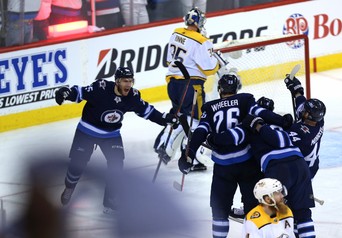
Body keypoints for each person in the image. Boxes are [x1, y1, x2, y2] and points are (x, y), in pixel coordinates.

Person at [178, 74, 293, 238]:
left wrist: (188, 155)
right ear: (236, 88)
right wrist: (282, 121)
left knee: (219, 211)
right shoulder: (245, 100)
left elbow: (200, 132)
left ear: (220, 90)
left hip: (223, 168)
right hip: (247, 164)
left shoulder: (209, 107)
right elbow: (261, 112)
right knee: (253, 208)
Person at [54, 66, 179, 214]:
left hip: (111, 135)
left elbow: (147, 111)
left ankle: (110, 200)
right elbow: (79, 93)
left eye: (130, 81)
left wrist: (165, 119)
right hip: (87, 130)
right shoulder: (100, 88)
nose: (128, 84)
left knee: (116, 165)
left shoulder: (132, 96)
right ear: (117, 81)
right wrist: (65, 93)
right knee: (77, 165)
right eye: (125, 81)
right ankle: (69, 187)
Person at [208, 108, 316, 237]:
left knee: (274, 210)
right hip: (300, 165)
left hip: (278, 167)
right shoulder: (283, 124)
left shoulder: (251, 128)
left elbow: (231, 138)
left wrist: (211, 139)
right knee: (302, 212)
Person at [153, 7, 228, 171]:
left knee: (180, 116)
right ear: (200, 22)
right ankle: (192, 157)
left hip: (172, 84)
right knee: (199, 120)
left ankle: (166, 146)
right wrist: (218, 62)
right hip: (191, 86)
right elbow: (208, 69)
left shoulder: (175, 32)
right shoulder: (202, 40)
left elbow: (167, 61)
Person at [285, 76, 326, 179]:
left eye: (305, 111)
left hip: (302, 170)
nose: (303, 110)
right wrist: (297, 90)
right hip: (312, 165)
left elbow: (282, 139)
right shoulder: (319, 121)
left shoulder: (304, 135)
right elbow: (301, 104)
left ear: (310, 116)